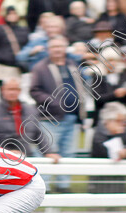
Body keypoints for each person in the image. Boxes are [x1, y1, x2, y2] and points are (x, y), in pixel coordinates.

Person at [29, 35, 82, 192]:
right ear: (48, 49)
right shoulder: (40, 67)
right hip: (50, 118)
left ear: (66, 48)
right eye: (54, 47)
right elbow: (34, 90)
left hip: (72, 116)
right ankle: (44, 187)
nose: (57, 50)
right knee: (49, 152)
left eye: (60, 46)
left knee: (68, 153)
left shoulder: (72, 64)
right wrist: (53, 101)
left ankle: (63, 186)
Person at [0, 77, 52, 157]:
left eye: (15, 89)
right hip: (0, 157)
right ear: (2, 90)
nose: (12, 93)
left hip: (26, 155)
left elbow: (38, 134)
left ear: (20, 91)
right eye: (9, 89)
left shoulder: (31, 110)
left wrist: (48, 152)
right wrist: (6, 152)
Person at [90, 101, 126, 193]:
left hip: (119, 177)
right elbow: (105, 152)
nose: (123, 125)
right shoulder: (99, 133)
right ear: (108, 121)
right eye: (119, 121)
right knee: (98, 204)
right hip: (100, 178)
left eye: (124, 121)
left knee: (117, 203)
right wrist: (116, 135)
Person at [0, 6, 28, 81]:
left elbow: (27, 46)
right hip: (3, 66)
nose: (12, 16)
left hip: (18, 66)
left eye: (14, 14)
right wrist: (3, 57)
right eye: (10, 14)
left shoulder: (24, 30)